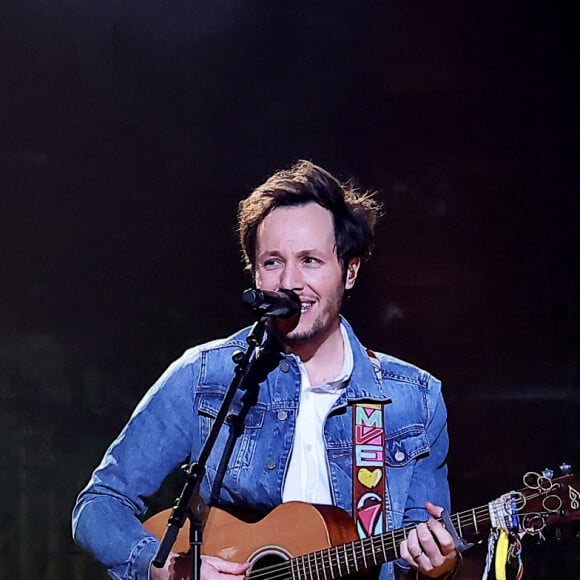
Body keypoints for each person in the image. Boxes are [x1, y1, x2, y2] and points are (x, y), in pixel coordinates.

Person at [73, 160, 460, 579]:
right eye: (273, 262)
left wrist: (440, 565)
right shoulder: (206, 376)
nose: (290, 281)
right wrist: (163, 569)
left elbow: (421, 554)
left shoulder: (412, 400)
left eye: (310, 260)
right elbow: (100, 505)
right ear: (255, 274)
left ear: (349, 271)